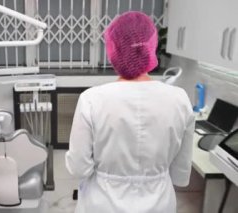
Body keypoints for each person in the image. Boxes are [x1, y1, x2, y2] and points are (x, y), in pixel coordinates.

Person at [65, 11, 195, 213]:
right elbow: (180, 174)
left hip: (102, 204)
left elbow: (78, 167)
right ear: (151, 48)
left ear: (113, 50)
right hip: (159, 203)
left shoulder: (92, 99)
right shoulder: (180, 100)